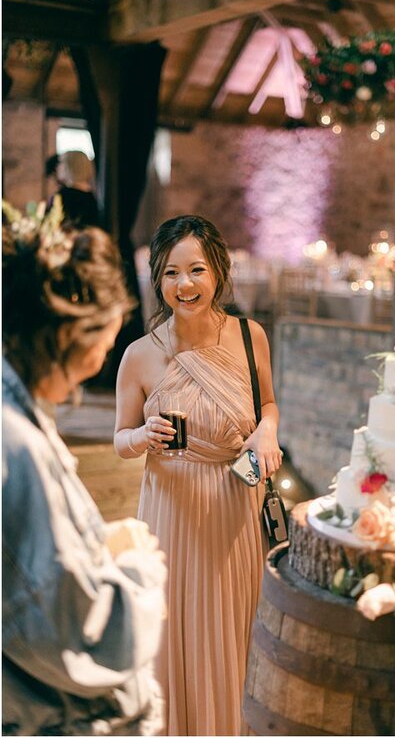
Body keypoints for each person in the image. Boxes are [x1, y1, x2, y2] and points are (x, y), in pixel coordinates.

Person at [2, 199, 166, 735]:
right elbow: (75, 633)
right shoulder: (16, 446)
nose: (103, 359)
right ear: (75, 336)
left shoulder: (21, 411)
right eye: (104, 341)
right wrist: (139, 571)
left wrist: (96, 538)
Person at [113, 215, 281, 735]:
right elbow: (119, 439)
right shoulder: (139, 355)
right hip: (171, 511)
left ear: (218, 272)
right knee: (178, 632)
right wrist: (143, 436)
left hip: (236, 504)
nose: (184, 285)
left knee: (235, 626)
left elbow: (268, 403)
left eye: (196, 270)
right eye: (169, 273)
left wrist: (267, 432)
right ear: (157, 280)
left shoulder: (250, 337)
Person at [54, 150, 100, 229]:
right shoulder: (91, 196)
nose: (57, 167)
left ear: (70, 166)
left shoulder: (64, 195)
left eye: (61, 163)